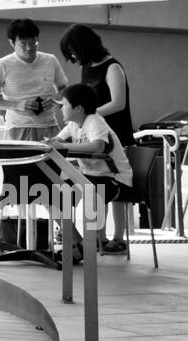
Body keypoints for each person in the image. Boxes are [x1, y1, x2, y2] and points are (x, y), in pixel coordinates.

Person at [59, 24, 134, 250]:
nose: (72, 56)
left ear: (84, 46)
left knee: (115, 186)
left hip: (114, 132)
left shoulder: (112, 68)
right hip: (90, 130)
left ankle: (119, 238)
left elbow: (118, 103)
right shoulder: (87, 68)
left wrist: (87, 114)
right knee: (95, 181)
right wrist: (80, 116)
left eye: (73, 51)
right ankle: (99, 239)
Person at [47, 83, 134, 259]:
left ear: (78, 108)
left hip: (115, 179)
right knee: (51, 196)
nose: (60, 108)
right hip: (89, 178)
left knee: (91, 197)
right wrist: (50, 143)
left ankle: (84, 247)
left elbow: (98, 146)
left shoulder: (94, 120)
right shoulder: (73, 124)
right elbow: (57, 141)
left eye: (63, 104)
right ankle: (80, 243)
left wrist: (63, 146)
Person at [0, 18, 68, 141]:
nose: (29, 48)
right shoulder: (2, 64)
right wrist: (17, 105)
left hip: (50, 126)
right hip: (18, 128)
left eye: (33, 42)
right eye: (23, 43)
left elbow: (63, 89)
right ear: (12, 42)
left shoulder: (50, 60)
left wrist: (54, 100)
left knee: (54, 160)